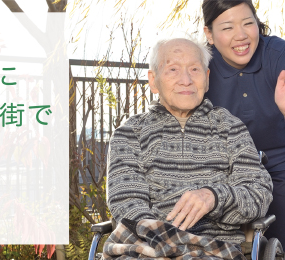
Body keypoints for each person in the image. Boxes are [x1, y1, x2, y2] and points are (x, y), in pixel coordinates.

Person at [104, 38, 273, 259]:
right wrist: (167, 244)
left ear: (207, 78)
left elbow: (258, 194)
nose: (186, 80)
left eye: (194, 69)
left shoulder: (230, 128)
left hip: (214, 249)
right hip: (147, 247)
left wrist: (214, 197)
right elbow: (126, 203)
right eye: (173, 69)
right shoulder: (129, 133)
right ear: (153, 81)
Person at [202, 0, 285, 250]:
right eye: (227, 28)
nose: (241, 35)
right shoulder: (201, 64)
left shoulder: (279, 54)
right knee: (227, 245)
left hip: (282, 160)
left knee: (280, 245)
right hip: (226, 164)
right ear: (209, 34)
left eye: (248, 23)